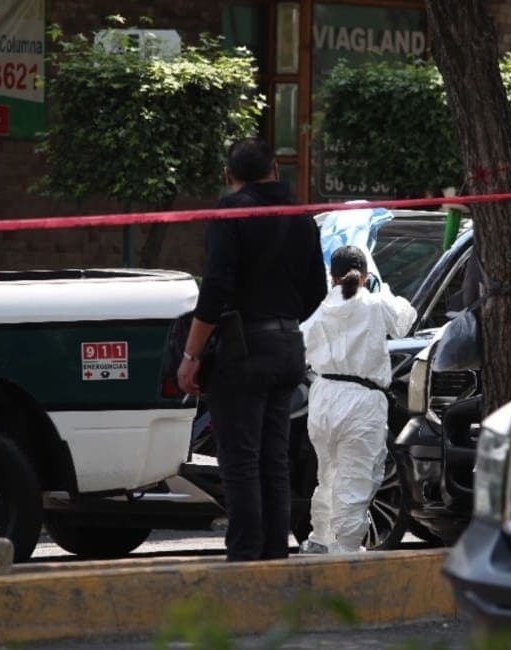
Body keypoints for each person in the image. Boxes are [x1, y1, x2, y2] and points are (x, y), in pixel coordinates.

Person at [176, 137, 327, 562]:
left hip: (243, 352)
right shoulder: (302, 218)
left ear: (230, 178)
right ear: (275, 170)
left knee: (240, 460)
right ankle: (273, 555)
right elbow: (317, 290)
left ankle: (244, 556)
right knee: (273, 459)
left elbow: (217, 289)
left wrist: (190, 356)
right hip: (288, 348)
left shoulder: (231, 213)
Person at [298, 246, 417, 554]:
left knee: (328, 476)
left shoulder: (320, 308)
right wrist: (384, 289)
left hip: (323, 398)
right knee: (356, 481)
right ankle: (346, 556)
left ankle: (321, 540)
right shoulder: (376, 304)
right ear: (365, 276)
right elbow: (406, 319)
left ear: (331, 276)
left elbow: (303, 345)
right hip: (361, 402)